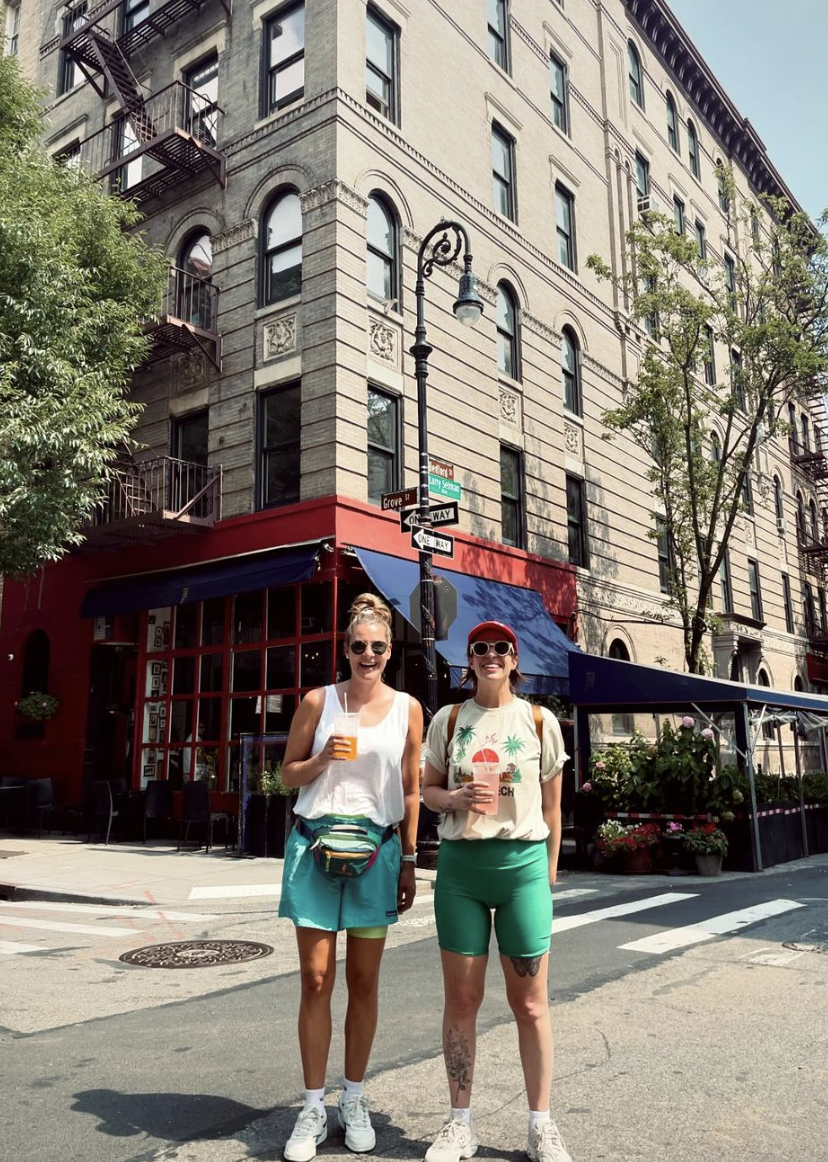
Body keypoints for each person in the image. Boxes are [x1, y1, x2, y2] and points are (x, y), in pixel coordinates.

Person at [279, 593, 423, 1161]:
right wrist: (321, 761)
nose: (368, 654)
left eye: (378, 647)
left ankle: (354, 1097)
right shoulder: (319, 702)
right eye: (359, 646)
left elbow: (410, 788)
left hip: (377, 851)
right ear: (345, 648)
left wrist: (410, 858)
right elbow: (288, 774)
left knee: (364, 982)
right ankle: (312, 1106)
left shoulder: (408, 708)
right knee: (316, 980)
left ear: (390, 651)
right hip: (315, 845)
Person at [421, 620, 571, 1162]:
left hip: (522, 867)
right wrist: (455, 797)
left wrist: (548, 873)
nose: (490, 655)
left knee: (529, 1004)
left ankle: (541, 1124)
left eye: (500, 649)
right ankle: (460, 1123)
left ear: (513, 660)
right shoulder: (450, 718)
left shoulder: (538, 719)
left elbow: (553, 806)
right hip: (461, 869)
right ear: (470, 660)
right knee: (461, 1000)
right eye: (479, 648)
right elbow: (427, 792)